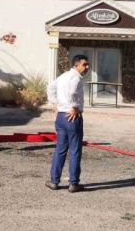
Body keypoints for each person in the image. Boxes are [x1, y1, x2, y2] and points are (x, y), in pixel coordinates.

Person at [45, 55, 89, 193]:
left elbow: (50, 87)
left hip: (61, 116)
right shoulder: (76, 78)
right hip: (72, 117)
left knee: (60, 149)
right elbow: (72, 93)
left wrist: (55, 103)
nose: (87, 67)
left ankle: (54, 181)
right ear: (76, 65)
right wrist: (74, 106)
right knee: (75, 150)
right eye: (85, 64)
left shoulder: (63, 76)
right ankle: (73, 183)